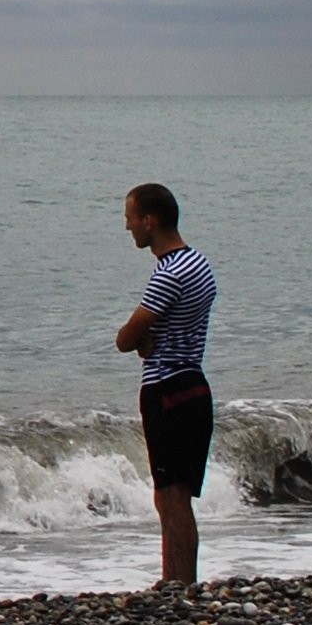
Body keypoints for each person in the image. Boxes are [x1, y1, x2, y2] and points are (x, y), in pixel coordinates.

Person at [113, 180, 215, 589]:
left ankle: (181, 582)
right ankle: (174, 579)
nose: (128, 227)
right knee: (176, 495)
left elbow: (126, 339)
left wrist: (139, 340)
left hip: (166, 390)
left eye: (130, 218)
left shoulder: (168, 274)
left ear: (150, 221)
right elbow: (172, 329)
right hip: (194, 382)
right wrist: (146, 341)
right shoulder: (199, 265)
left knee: (170, 498)